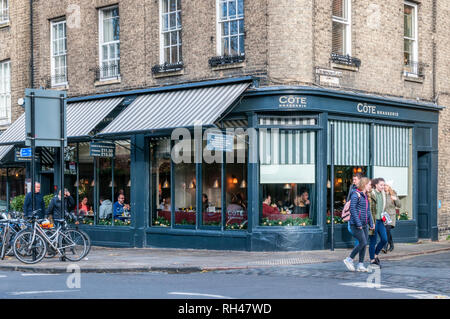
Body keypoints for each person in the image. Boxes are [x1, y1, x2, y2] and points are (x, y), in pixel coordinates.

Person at [343, 177, 374, 272]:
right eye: (369, 185)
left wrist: (371, 223)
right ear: (365, 185)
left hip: (364, 224)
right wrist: (358, 223)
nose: (371, 186)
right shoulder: (355, 195)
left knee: (364, 244)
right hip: (356, 224)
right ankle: (349, 259)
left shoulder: (365, 196)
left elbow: (368, 211)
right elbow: (353, 210)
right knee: (363, 242)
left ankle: (360, 265)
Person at [369, 178, 388, 268]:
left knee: (384, 239)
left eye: (384, 185)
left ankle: (376, 254)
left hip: (380, 221)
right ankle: (372, 260)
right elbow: (369, 209)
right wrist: (370, 222)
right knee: (373, 241)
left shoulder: (383, 194)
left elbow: (383, 208)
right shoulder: (371, 194)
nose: (383, 187)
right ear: (376, 185)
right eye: (381, 185)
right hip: (373, 221)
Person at [382, 181, 401, 253]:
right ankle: (391, 243)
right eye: (384, 185)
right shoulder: (382, 194)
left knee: (387, 229)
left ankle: (385, 246)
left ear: (389, 187)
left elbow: (399, 205)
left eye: (386, 185)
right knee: (387, 231)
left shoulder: (393, 194)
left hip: (391, 216)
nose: (385, 187)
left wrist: (396, 199)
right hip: (384, 216)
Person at [346, 173, 363, 247]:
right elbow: (348, 198)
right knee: (350, 229)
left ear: (360, 180)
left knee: (357, 231)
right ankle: (360, 244)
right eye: (353, 179)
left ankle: (357, 249)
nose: (354, 181)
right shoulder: (352, 187)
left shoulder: (363, 189)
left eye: (355, 179)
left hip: (359, 213)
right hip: (351, 212)